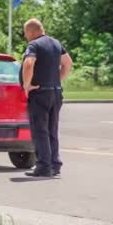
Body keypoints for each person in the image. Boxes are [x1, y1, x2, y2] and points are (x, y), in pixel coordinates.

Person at [20, 19, 73, 177]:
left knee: (40, 130)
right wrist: (58, 80)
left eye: (25, 32)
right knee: (52, 130)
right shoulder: (56, 43)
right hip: (55, 92)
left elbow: (29, 63)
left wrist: (27, 85)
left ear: (31, 31)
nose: (25, 36)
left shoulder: (34, 45)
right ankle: (54, 165)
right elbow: (68, 63)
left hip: (40, 93)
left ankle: (43, 166)